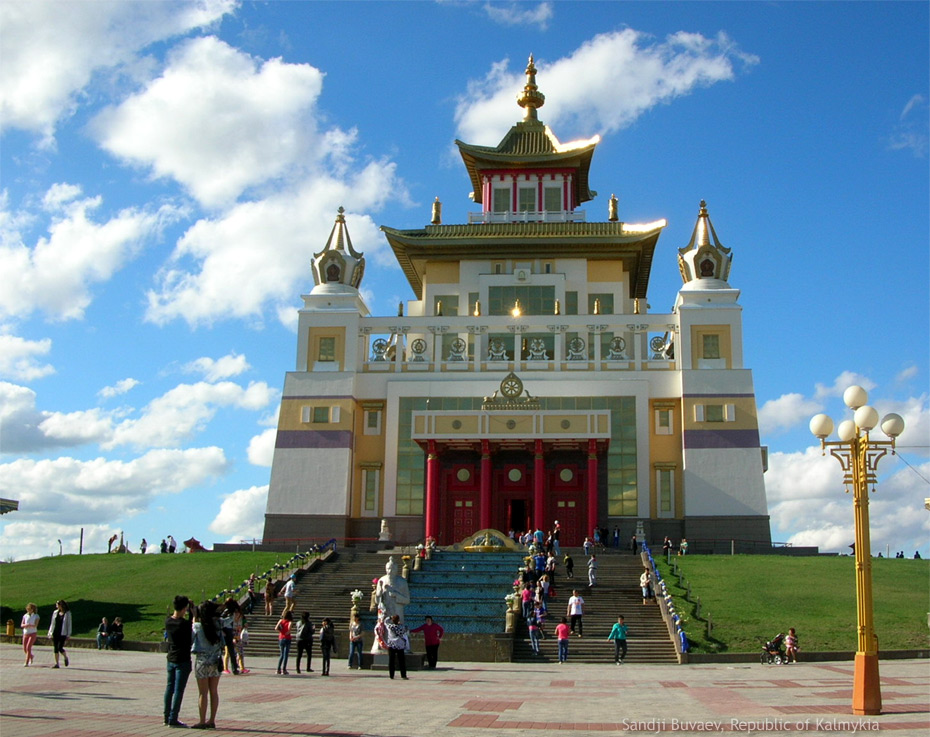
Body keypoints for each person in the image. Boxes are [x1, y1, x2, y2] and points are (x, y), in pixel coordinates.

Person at [191, 600, 224, 729]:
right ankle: (212, 720)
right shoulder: (218, 624)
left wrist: (194, 616)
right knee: (214, 692)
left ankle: (202, 720)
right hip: (215, 661)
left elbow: (192, 635)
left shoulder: (198, 626)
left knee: (202, 693)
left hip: (202, 661)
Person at [164, 595, 192, 728]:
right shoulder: (184, 624)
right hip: (182, 659)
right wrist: (192, 612)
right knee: (179, 690)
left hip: (171, 658)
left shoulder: (168, 621)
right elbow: (190, 627)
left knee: (170, 688)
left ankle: (166, 716)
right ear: (183, 608)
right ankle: (173, 718)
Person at [375, 557, 411, 622]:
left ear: (396, 570)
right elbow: (377, 601)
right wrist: (379, 593)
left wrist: (396, 595)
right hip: (385, 611)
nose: (390, 571)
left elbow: (407, 600)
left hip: (397, 612)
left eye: (393, 569)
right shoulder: (381, 580)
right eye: (388, 569)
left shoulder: (402, 582)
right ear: (386, 569)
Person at [48, 599, 71, 668]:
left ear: (61, 605)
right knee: (55, 648)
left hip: (63, 633)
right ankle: (57, 663)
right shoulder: (55, 613)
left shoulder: (67, 613)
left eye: (57, 604)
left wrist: (68, 634)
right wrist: (50, 632)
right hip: (55, 632)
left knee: (60, 647)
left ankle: (65, 657)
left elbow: (69, 624)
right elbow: (52, 623)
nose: (56, 606)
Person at [385, 614, 409, 679]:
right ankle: (403, 675)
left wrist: (390, 617)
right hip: (400, 646)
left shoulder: (390, 626)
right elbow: (406, 629)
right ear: (398, 620)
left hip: (391, 645)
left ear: (392, 620)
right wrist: (400, 624)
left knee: (391, 661)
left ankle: (391, 675)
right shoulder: (402, 627)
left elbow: (385, 621)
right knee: (401, 661)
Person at [220, 599, 239, 675]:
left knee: (226, 650)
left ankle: (227, 667)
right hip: (227, 630)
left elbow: (222, 620)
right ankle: (234, 668)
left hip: (226, 630)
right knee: (231, 651)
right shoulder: (230, 611)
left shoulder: (227, 611)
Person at [275, 611, 293, 675]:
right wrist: (287, 633)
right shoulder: (290, 622)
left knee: (281, 654)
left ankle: (278, 669)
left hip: (281, 638)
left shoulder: (281, 621)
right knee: (286, 655)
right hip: (287, 638)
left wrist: (281, 631)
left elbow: (276, 628)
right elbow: (289, 630)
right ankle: (284, 669)